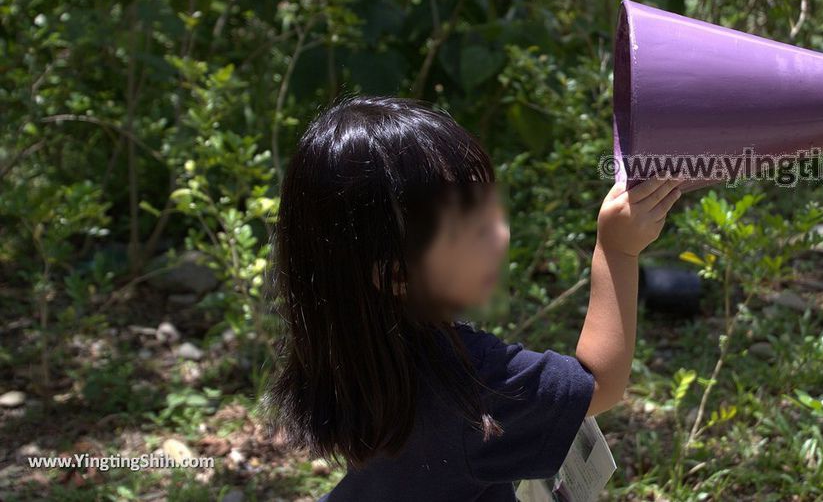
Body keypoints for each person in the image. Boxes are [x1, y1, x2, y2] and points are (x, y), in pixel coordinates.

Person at [261, 94, 685, 501]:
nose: (501, 236)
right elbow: (601, 384)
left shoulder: (348, 343)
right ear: (396, 275)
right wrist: (617, 250)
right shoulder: (472, 384)